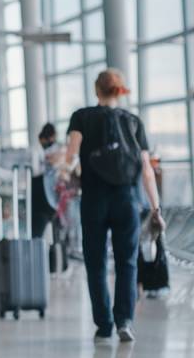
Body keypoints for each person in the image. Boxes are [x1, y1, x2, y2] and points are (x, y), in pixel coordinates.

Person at [64, 68, 165, 343]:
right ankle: (124, 320)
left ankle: (104, 324)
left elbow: (71, 156)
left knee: (95, 263)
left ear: (97, 90)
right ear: (120, 91)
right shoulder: (133, 121)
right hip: (128, 200)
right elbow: (146, 169)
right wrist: (155, 207)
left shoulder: (82, 117)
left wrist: (65, 172)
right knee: (127, 262)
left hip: (94, 199)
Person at [31, 123, 62, 240]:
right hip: (43, 199)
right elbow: (35, 170)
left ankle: (55, 255)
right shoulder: (36, 150)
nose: (51, 141)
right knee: (37, 234)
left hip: (52, 199)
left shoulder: (56, 149)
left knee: (57, 236)